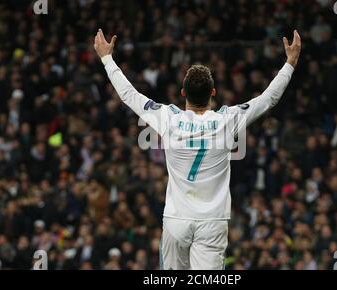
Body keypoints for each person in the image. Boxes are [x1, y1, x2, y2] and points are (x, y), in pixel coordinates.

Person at [93, 29, 301, 270]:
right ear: (213, 93)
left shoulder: (167, 118)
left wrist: (107, 59)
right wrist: (290, 62)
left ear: (183, 94)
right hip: (213, 221)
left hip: (176, 219)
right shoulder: (228, 120)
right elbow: (268, 99)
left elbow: (130, 95)